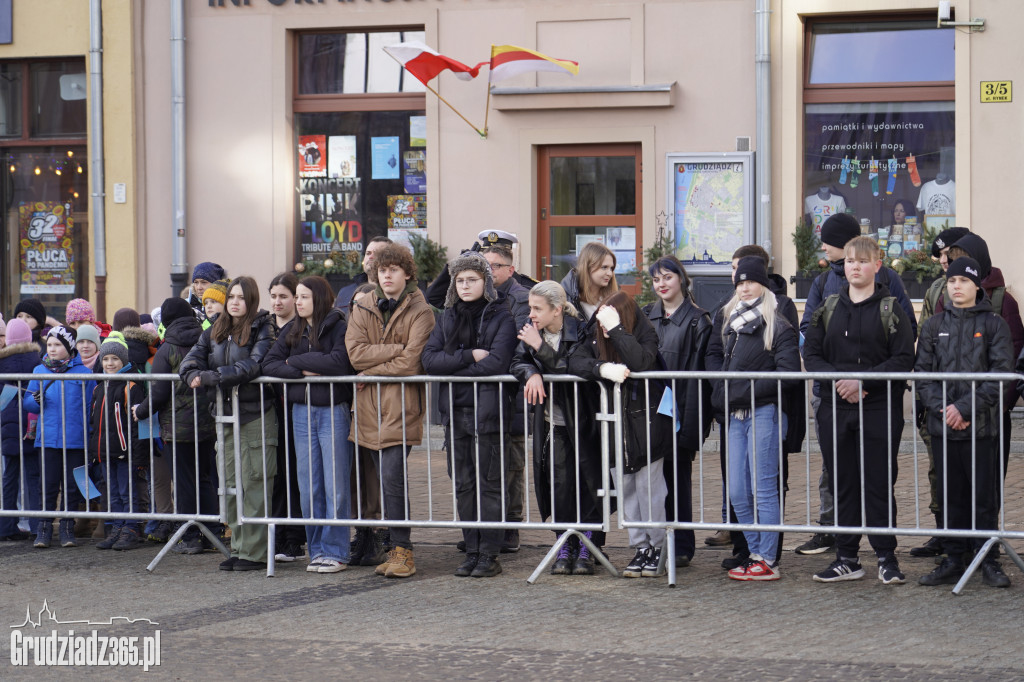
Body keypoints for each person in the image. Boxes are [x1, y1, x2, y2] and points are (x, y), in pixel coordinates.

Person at [795, 213, 917, 556]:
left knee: (878, 480)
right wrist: (838, 381)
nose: (854, 267)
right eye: (850, 261)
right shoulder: (825, 293)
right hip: (833, 401)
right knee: (840, 479)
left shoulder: (890, 294)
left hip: (878, 404)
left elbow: (903, 349)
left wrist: (864, 380)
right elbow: (811, 344)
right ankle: (843, 551)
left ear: (876, 266)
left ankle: (884, 555)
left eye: (862, 261)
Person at [916, 257, 1014, 588]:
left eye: (963, 280)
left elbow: (1001, 374)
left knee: (983, 499)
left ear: (976, 286)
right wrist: (945, 410)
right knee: (949, 498)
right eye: (951, 280)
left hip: (981, 430)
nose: (955, 286)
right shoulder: (933, 325)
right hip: (944, 428)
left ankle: (987, 559)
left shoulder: (994, 325)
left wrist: (965, 409)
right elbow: (922, 374)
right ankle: (953, 558)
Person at [422, 251, 518, 578]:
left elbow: (497, 363)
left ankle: (490, 554)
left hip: (489, 412)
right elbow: (430, 360)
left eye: (472, 280)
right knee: (463, 484)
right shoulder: (447, 317)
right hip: (456, 412)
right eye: (460, 280)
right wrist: (468, 356)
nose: (465, 285)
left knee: (489, 484)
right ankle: (472, 549)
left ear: (485, 282)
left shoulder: (501, 316)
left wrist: (457, 365)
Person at [706, 257, 800, 581]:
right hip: (735, 416)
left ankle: (768, 559)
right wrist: (724, 391)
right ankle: (756, 550)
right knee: (737, 492)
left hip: (764, 414)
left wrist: (742, 390)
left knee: (764, 490)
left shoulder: (779, 325)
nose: (745, 287)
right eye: (740, 282)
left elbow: (788, 375)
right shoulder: (730, 322)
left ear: (763, 283)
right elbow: (718, 363)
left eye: (751, 281)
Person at [346, 243, 435, 579]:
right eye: (382, 270)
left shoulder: (421, 311)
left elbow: (413, 361)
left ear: (407, 273)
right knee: (379, 484)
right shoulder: (362, 303)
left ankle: (404, 551)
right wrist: (394, 351)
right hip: (368, 408)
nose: (386, 275)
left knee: (393, 479)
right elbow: (355, 353)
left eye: (393, 270)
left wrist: (371, 371)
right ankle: (387, 547)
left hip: (401, 406)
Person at [180, 276, 278, 572]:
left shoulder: (264, 327)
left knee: (254, 483)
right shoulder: (213, 330)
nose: (235, 302)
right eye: (231, 297)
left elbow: (252, 365)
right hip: (223, 415)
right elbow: (189, 362)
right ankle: (238, 547)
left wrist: (212, 377)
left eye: (241, 298)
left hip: (254, 414)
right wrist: (192, 375)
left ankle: (255, 552)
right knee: (231, 484)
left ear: (251, 301)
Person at [572, 291, 669, 578]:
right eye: (602, 321)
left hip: (646, 426)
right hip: (615, 428)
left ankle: (659, 547)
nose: (602, 327)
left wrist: (616, 330)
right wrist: (601, 367)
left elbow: (640, 361)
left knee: (649, 491)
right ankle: (640, 547)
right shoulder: (596, 337)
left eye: (609, 320)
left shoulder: (645, 335)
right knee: (626, 491)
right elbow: (575, 360)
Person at [264, 275, 355, 574]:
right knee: (309, 486)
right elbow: (270, 363)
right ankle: (317, 550)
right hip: (300, 411)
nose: (297, 302)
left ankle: (336, 551)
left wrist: (296, 362)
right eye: (297, 297)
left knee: (335, 486)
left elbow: (341, 362)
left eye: (303, 297)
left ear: (318, 298)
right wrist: (301, 368)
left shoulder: (338, 323)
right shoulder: (293, 328)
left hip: (332, 410)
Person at [510, 280, 595, 575]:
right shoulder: (532, 332)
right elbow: (517, 362)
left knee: (585, 484)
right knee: (558, 487)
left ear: (557, 310)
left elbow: (572, 368)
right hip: (551, 422)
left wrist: (539, 348)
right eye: (530, 307)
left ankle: (586, 547)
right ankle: (563, 544)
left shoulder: (581, 330)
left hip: (582, 421)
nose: (531, 314)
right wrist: (531, 372)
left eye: (537, 308)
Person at [133, 297, 219, 555]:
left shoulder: (167, 349)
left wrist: (140, 410)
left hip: (178, 430)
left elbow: (158, 393)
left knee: (183, 483)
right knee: (205, 479)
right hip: (207, 424)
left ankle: (190, 536)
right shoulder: (206, 340)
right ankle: (212, 533)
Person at [643, 256, 712, 568]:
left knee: (677, 481)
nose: (661, 284)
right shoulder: (646, 316)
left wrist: (693, 422)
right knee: (652, 482)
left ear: (681, 279)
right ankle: (654, 542)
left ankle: (681, 545)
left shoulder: (699, 321)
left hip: (680, 411)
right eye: (656, 280)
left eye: (667, 277)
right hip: (649, 411)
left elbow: (700, 378)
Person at [910, 226, 971, 558]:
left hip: (970, 403)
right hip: (937, 398)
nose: (943, 261)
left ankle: (975, 539)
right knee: (938, 469)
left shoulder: (982, 289)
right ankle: (943, 531)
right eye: (941, 257)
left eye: (949, 255)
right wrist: (926, 397)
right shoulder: (935, 290)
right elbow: (923, 345)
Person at [23, 326, 96, 548]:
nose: (52, 349)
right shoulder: (38, 371)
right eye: (50, 344)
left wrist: (89, 438)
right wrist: (35, 400)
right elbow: (28, 404)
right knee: (47, 485)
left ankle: (67, 528)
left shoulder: (84, 373)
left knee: (72, 487)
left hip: (76, 440)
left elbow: (89, 408)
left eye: (57, 345)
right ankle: (44, 529)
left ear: (69, 347)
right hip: (47, 439)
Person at [482, 239, 531, 553]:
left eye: (494, 266)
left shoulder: (521, 297)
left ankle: (511, 525)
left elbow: (515, 343)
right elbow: (436, 297)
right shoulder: (480, 293)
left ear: (511, 269)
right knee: (487, 462)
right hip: (486, 390)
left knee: (512, 463)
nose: (488, 272)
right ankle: (487, 525)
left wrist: (487, 356)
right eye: (483, 266)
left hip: (511, 390)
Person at [90, 339, 147, 551]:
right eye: (105, 359)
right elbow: (94, 422)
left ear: (123, 360)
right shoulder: (99, 388)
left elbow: (137, 425)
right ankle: (117, 527)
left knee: (127, 491)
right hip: (105, 452)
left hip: (125, 452)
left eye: (114, 359)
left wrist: (139, 455)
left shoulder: (130, 386)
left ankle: (131, 529)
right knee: (112, 492)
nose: (110, 363)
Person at [265, 272, 306, 563]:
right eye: (274, 296)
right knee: (275, 474)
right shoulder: (263, 327)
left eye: (283, 296)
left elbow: (299, 365)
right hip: (268, 408)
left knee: (294, 472)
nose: (277, 302)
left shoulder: (300, 328)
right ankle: (276, 533)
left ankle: (294, 538)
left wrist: (288, 367)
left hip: (294, 407)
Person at [0, 319, 42, 541]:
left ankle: (6, 526)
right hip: (31, 423)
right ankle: (37, 526)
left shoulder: (2, 362)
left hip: (8, 424)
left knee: (10, 476)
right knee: (34, 476)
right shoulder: (37, 360)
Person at [560, 241, 618, 333]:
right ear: (587, 267)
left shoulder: (614, 298)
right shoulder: (567, 298)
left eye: (611, 268)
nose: (610, 273)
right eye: (604, 267)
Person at [333, 236, 392, 313]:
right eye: (368, 253)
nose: (371, 257)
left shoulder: (398, 293)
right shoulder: (345, 293)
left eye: (377, 253)